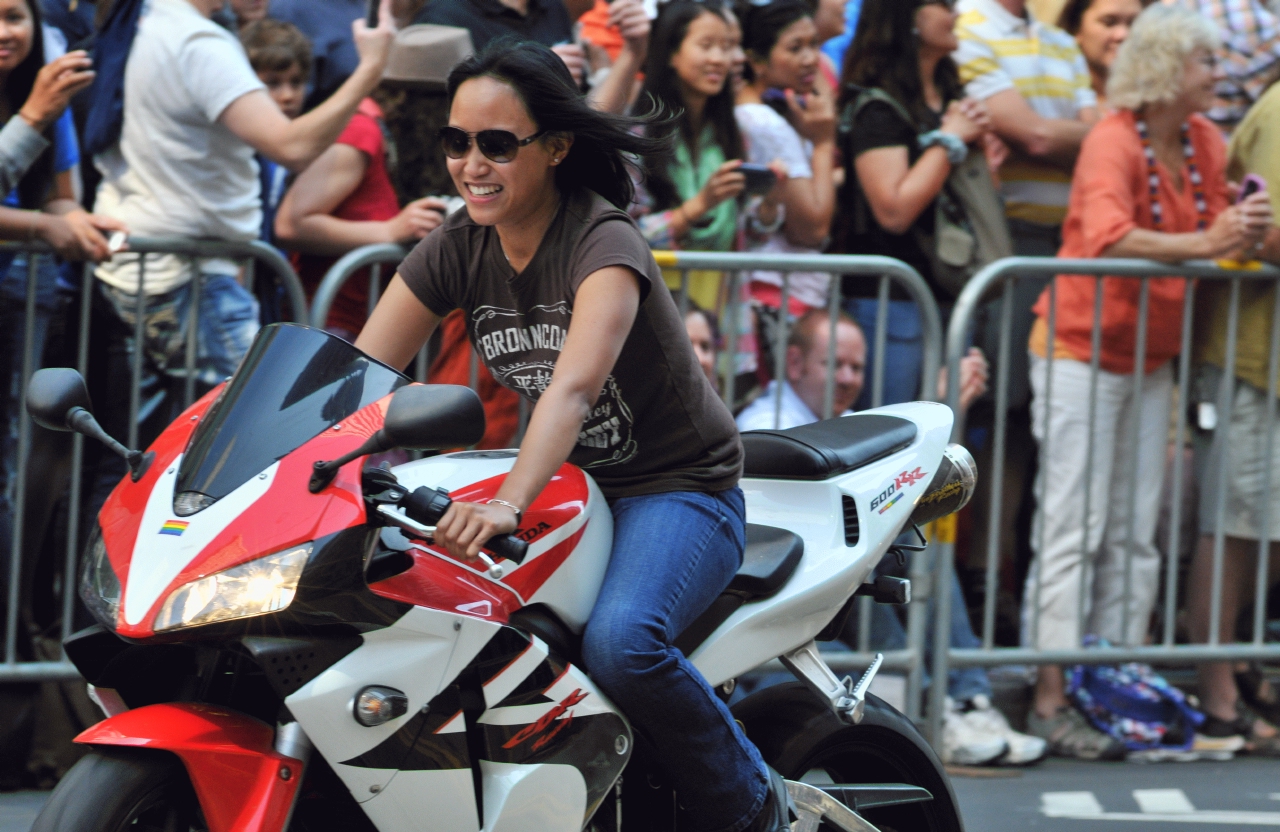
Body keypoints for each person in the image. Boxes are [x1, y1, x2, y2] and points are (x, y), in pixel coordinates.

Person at [354, 38, 794, 832]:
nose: (470, 164)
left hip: (677, 488)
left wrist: (506, 503)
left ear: (555, 148)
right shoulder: (459, 245)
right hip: (573, 488)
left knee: (625, 644)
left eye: (496, 143)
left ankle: (755, 805)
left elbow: (573, 388)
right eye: (457, 142)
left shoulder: (604, 243)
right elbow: (352, 372)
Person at [1022, 4, 1271, 760]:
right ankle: (1050, 697)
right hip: (1078, 349)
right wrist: (1208, 241)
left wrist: (1242, 232)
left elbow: (1232, 227)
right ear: (1168, 71)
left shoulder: (1203, 141)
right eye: (1204, 63)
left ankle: (1118, 689)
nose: (1217, 75)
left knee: (1134, 533)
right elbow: (1108, 235)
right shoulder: (1111, 138)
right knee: (1073, 527)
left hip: (1151, 355)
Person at [733, 311, 1038, 767]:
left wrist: (943, 404)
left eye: (857, 368)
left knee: (916, 547)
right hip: (777, 599)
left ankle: (966, 703)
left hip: (824, 590)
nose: (848, 378)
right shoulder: (763, 421)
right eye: (834, 364)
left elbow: (897, 488)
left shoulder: (843, 420)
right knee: (880, 560)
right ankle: (936, 712)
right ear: (794, 363)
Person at [90, 0, 395, 440]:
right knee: (261, 439)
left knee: (149, 448)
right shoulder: (196, 41)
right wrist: (370, 68)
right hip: (187, 281)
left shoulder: (151, 22)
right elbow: (290, 146)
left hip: (147, 270)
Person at [834, 0, 999, 410]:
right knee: (893, 440)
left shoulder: (953, 98)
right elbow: (893, 210)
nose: (956, 14)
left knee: (945, 438)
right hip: (891, 301)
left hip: (953, 291)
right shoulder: (877, 106)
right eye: (942, 4)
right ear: (906, 15)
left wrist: (980, 151)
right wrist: (951, 140)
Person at [1184, 74, 1280, 757]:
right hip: (1254, 355)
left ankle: (1240, 664)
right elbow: (1260, 231)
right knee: (1233, 521)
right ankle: (1216, 691)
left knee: (1263, 527)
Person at [630, 0, 754, 312]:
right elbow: (624, 235)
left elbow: (746, 228)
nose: (719, 59)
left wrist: (766, 207)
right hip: (657, 305)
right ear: (672, 52)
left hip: (723, 303)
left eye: (726, 47)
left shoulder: (732, 135)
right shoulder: (639, 137)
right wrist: (699, 206)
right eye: (706, 45)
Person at [736, 0, 837, 333]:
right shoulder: (765, 123)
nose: (811, 59)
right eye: (795, 48)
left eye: (814, 45)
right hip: (780, 294)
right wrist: (823, 143)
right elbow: (812, 227)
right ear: (756, 60)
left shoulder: (776, 111)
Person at [416, 0, 650, 114]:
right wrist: (533, 74)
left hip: (558, 174)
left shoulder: (551, 7)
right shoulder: (442, 18)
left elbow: (592, 118)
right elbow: (449, 127)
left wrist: (633, 51)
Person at [240, 18, 310, 258]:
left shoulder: (307, 146)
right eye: (273, 84)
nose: (288, 96)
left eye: (296, 82)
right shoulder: (243, 149)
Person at [1182, 0, 1280, 133]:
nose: (1220, 74)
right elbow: (1274, 109)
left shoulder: (1178, 7)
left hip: (1190, 137)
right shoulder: (1253, 21)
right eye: (1208, 61)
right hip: (1223, 143)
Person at [1056, 0, 1140, 111]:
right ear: (1075, 27)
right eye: (1109, 22)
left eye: (1135, 23)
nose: (1123, 34)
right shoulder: (1056, 100)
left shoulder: (1156, 103)